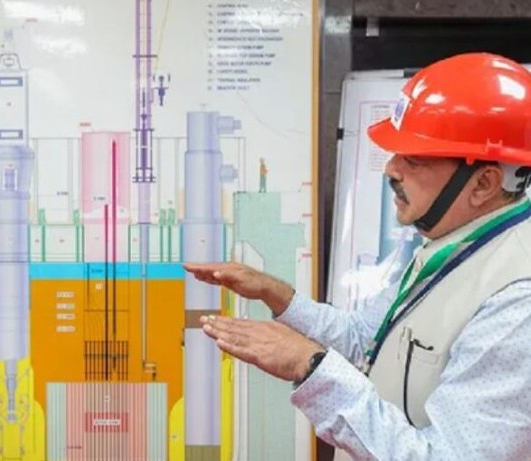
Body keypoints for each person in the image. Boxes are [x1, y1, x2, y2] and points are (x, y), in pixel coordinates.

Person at [185, 52, 531, 460]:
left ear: (483, 183)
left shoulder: (516, 302)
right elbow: (366, 338)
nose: (391, 169)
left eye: (414, 159)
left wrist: (308, 365)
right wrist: (276, 294)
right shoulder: (456, 246)